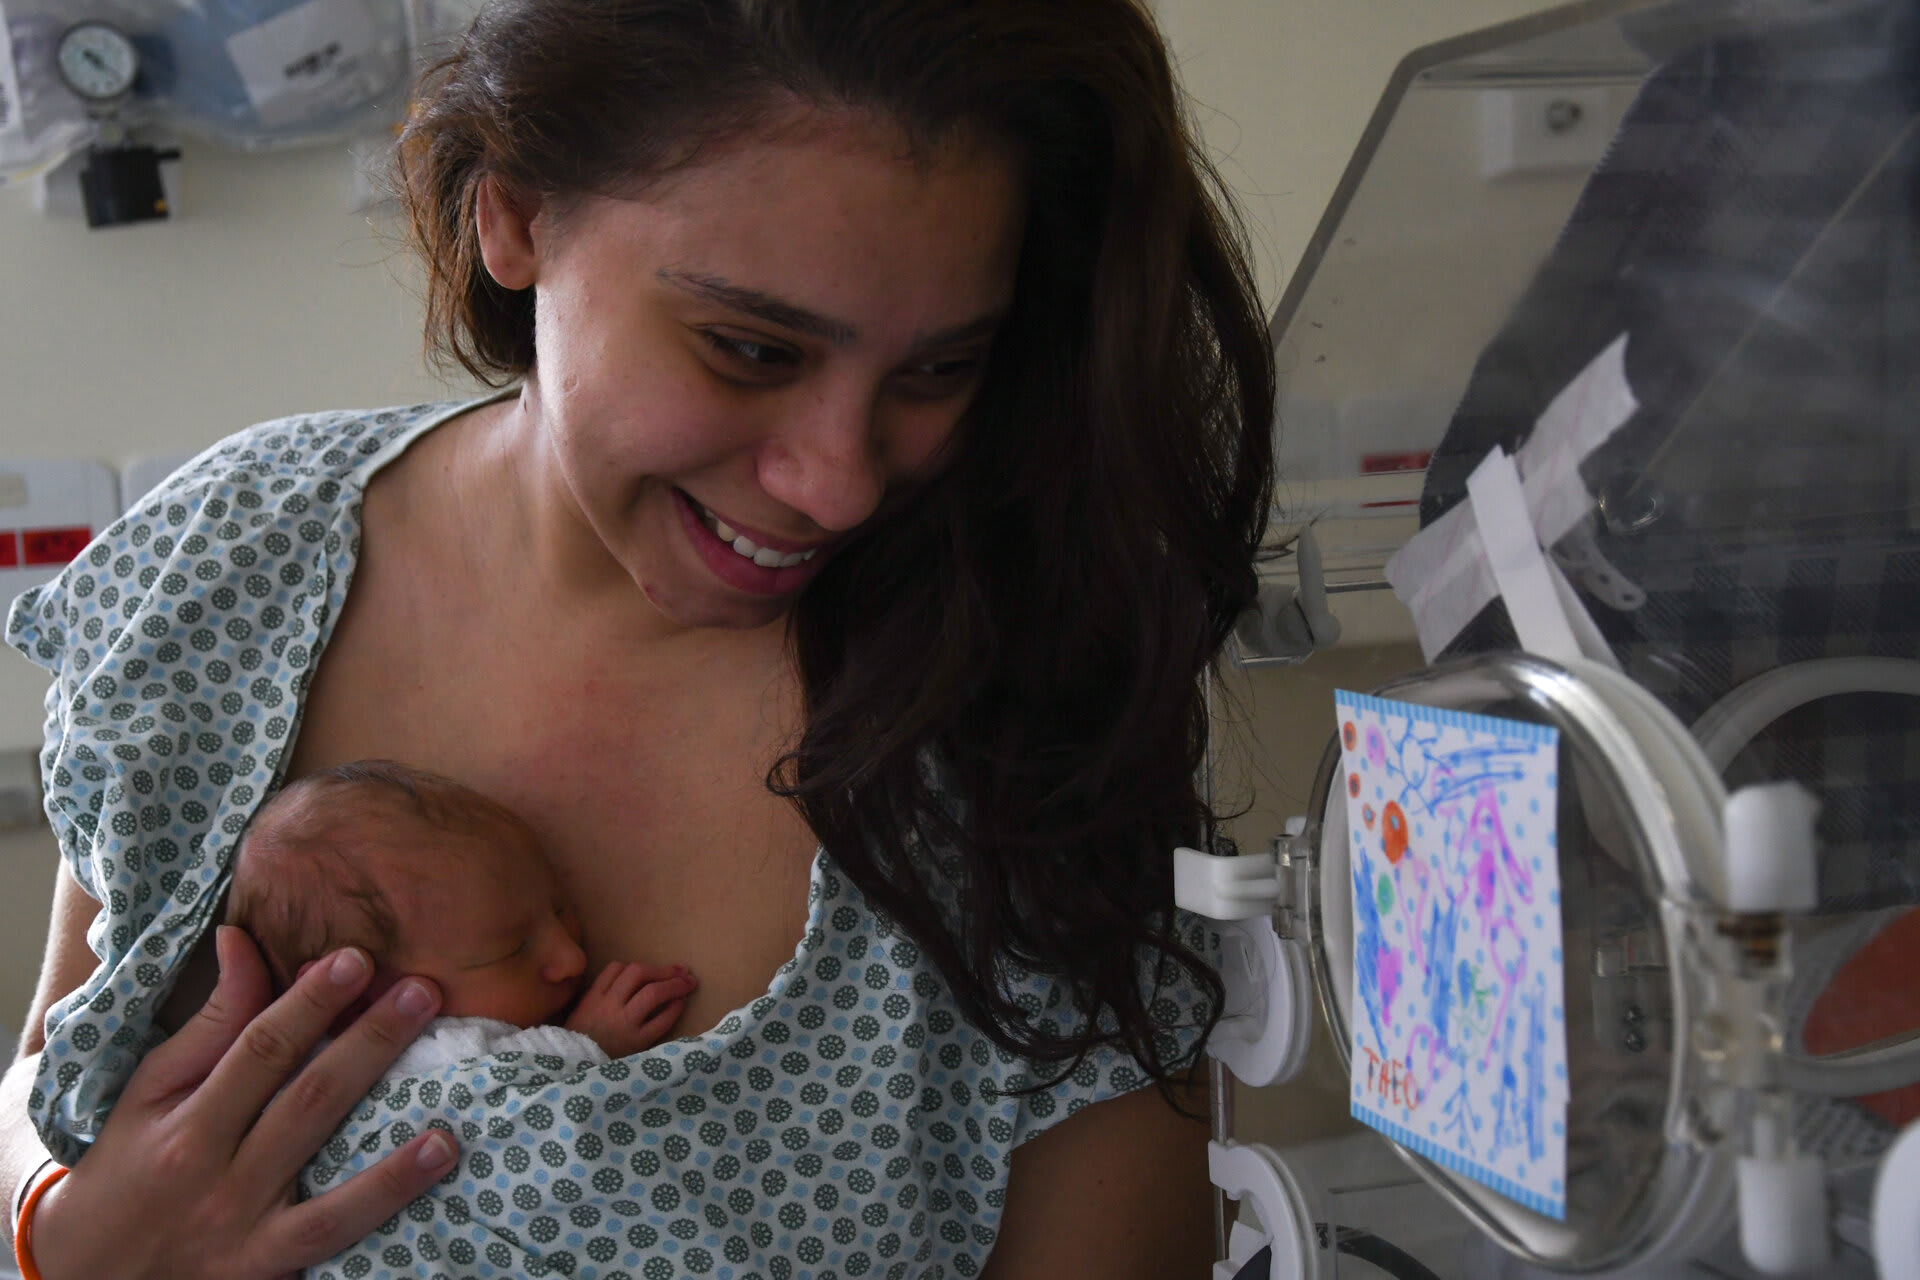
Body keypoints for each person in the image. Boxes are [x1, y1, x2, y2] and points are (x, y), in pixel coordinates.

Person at [1, 0, 1276, 1275]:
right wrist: (48, 1224)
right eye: (751, 348)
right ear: (515, 216)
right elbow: (56, 1071)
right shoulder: (228, 558)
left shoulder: (1025, 691)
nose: (839, 483)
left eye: (938, 370)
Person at [225, 759, 700, 1071]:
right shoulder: (390, 1066)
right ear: (354, 1001)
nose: (571, 957)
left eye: (558, 907)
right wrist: (585, 1045)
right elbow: (479, 1107)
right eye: (511, 949)